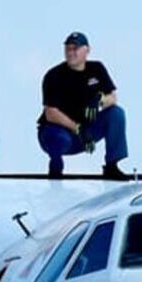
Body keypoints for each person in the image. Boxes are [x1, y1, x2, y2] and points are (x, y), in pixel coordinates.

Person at [38, 31, 129, 179]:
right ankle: (55, 168)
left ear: (87, 50)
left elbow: (113, 98)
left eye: (76, 49)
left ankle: (112, 166)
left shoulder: (97, 69)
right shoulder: (54, 75)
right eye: (68, 49)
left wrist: (99, 101)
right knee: (55, 135)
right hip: (60, 133)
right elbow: (51, 113)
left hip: (86, 133)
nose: (71, 53)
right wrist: (78, 128)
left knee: (116, 114)